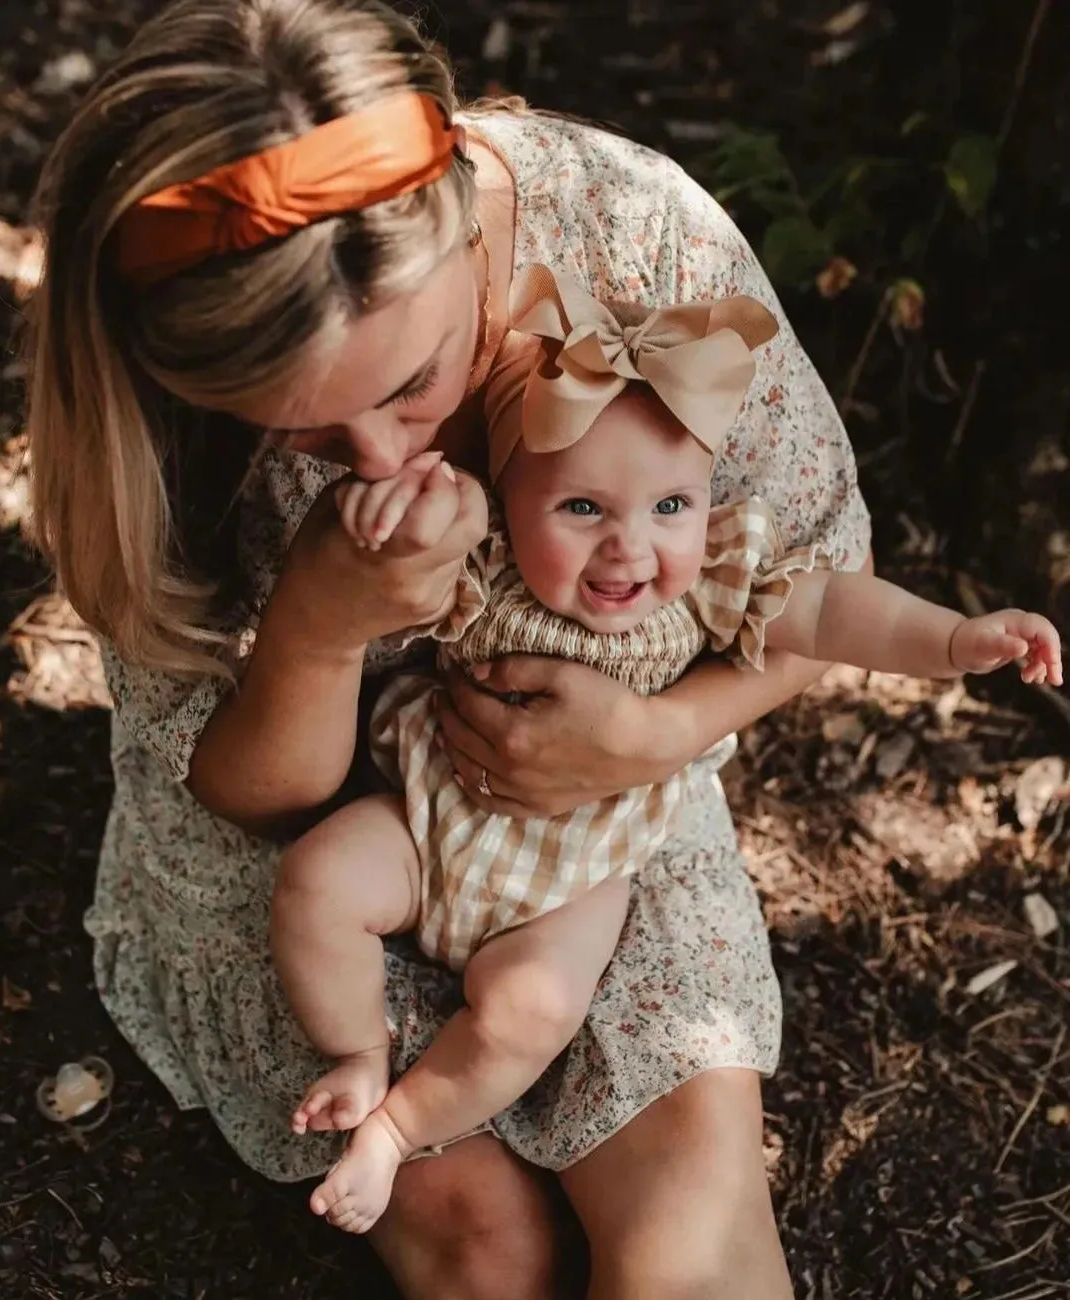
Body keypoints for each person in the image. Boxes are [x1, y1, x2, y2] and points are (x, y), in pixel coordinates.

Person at [25, 1, 879, 1295]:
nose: (381, 459)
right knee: (491, 1254)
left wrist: (652, 733)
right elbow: (245, 799)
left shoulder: (636, 242)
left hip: (594, 813)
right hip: (305, 857)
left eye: (413, 382)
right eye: (304, 436)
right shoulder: (159, 407)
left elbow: (822, 572)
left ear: (461, 233)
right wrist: (315, 626)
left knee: (689, 1245)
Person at [272, 263, 1061, 1234]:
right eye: (583, 508)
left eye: (670, 508)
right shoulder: (485, 560)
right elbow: (409, 565)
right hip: (427, 818)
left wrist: (952, 640)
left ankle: (395, 1128)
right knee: (317, 882)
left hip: (573, 875)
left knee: (530, 1014)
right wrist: (394, 521)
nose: (630, 548)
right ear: (512, 494)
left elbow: (831, 606)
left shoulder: (714, 578)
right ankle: (356, 1052)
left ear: (706, 503)